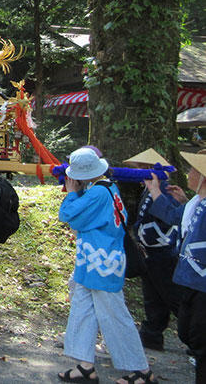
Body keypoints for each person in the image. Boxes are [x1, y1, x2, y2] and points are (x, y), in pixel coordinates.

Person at [56, 147, 157, 384]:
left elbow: (67, 214)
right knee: (82, 310)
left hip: (102, 263)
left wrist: (71, 193)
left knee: (114, 314)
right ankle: (84, 365)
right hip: (93, 260)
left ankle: (140, 369)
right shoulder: (106, 187)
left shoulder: (97, 194)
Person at [145, 150, 206, 383]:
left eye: (194, 170)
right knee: (187, 331)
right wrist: (155, 191)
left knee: (200, 338)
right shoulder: (194, 203)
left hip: (202, 280)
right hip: (189, 277)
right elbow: (172, 216)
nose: (189, 173)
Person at [123, 149, 183, 352]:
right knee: (152, 296)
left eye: (140, 168)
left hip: (162, 252)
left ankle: (194, 336)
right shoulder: (148, 189)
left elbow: (169, 217)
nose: (137, 171)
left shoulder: (165, 190)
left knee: (172, 295)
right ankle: (152, 334)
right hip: (148, 251)